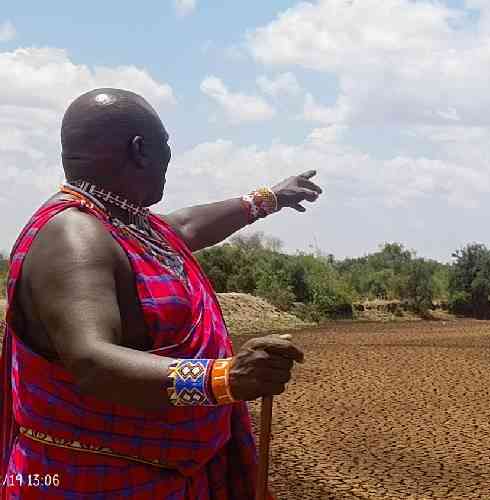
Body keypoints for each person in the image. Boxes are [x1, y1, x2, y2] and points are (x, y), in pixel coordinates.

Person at [0, 88, 322, 499]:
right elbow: (92, 361)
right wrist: (222, 378)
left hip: (168, 476)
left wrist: (269, 199)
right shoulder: (73, 235)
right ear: (140, 150)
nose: (170, 160)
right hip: (96, 483)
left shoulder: (126, 222)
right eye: (166, 147)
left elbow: (185, 226)